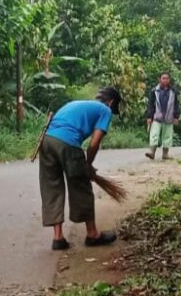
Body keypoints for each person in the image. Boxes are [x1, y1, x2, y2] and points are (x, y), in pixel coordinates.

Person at [38, 87, 122, 251]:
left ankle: (58, 238)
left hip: (46, 141)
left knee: (52, 187)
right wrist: (87, 165)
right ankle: (92, 234)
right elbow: (94, 143)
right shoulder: (105, 110)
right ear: (111, 102)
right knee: (81, 186)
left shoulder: (78, 104)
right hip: (67, 142)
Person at [144, 72, 181, 161]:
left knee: (167, 136)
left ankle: (165, 154)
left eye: (167, 78)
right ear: (159, 79)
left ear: (169, 80)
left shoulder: (173, 91)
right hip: (157, 117)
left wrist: (176, 117)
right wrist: (149, 116)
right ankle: (152, 152)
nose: (165, 80)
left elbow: (176, 105)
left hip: (169, 117)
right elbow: (150, 104)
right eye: (163, 78)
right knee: (154, 134)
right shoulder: (154, 91)